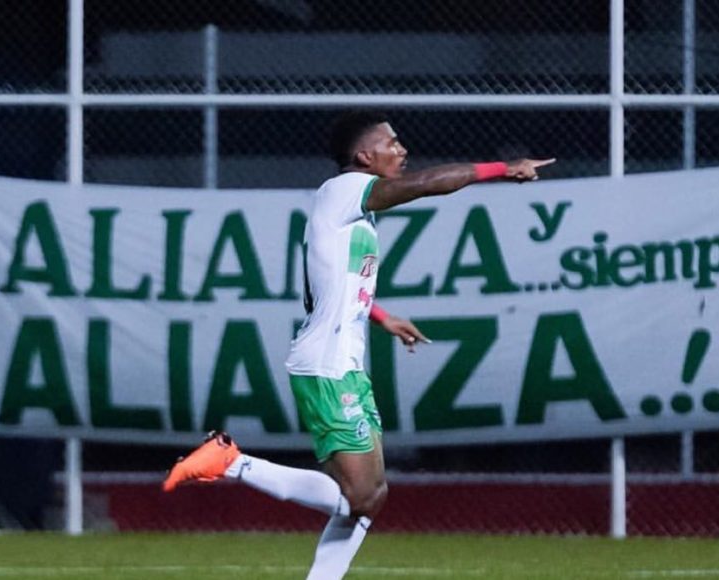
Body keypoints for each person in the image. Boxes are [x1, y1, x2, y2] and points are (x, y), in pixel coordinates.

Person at [163, 111, 554, 579]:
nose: (402, 150)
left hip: (344, 362)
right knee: (361, 496)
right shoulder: (345, 189)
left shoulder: (352, 211)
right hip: (327, 364)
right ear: (365, 156)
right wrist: (502, 169)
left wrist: (384, 317)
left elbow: (335, 286)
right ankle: (231, 462)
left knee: (368, 499)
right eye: (392, 143)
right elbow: (426, 184)